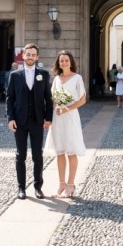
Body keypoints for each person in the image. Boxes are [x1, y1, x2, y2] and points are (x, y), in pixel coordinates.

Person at [7, 43, 53, 200]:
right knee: (20, 155)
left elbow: (48, 98)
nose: (30, 57)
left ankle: (38, 187)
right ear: (23, 56)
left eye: (33, 55)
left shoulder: (44, 74)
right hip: (19, 121)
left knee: (37, 155)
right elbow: (10, 98)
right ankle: (21, 188)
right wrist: (10, 118)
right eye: (28, 54)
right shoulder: (15, 75)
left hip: (37, 121)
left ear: (37, 57)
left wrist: (48, 118)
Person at [45, 50, 87, 198]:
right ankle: (61, 183)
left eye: (66, 60)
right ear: (58, 63)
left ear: (71, 62)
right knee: (60, 152)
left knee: (71, 151)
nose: (64, 63)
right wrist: (50, 116)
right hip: (58, 118)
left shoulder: (77, 78)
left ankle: (70, 184)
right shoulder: (56, 78)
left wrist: (67, 108)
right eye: (61, 60)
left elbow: (82, 100)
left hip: (70, 116)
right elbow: (53, 99)